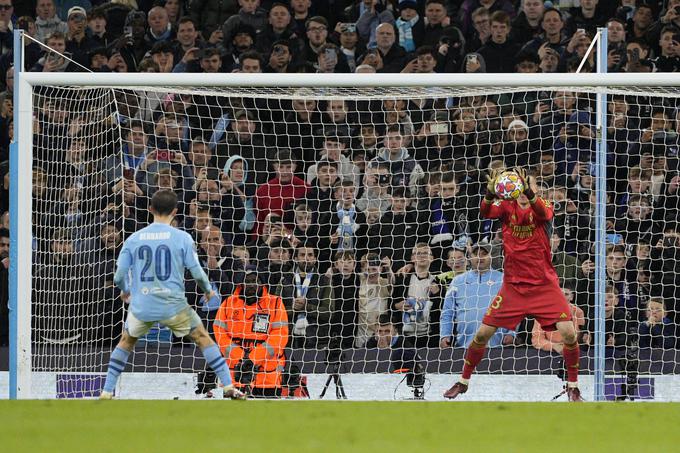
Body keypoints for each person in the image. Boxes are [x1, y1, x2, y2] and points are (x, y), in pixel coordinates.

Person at [443, 167, 584, 401]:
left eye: (528, 184)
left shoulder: (544, 207)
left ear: (536, 189)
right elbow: (485, 211)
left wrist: (527, 189)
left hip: (544, 286)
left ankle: (573, 386)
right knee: (481, 336)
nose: (520, 189)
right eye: (519, 185)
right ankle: (463, 381)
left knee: (569, 335)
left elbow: (542, 212)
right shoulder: (506, 208)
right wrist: (489, 194)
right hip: (513, 288)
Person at [100, 189, 246, 400]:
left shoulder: (134, 239)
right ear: (175, 211)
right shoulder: (182, 237)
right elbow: (197, 271)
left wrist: (125, 292)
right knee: (204, 339)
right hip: (173, 305)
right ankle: (228, 386)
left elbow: (119, 276)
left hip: (143, 305)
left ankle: (106, 391)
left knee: (125, 343)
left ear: (150, 209)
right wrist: (207, 290)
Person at [213, 265, 289, 398]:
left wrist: (253, 359)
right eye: (248, 281)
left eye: (256, 281)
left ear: (262, 283)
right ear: (241, 283)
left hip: (267, 377)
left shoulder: (275, 303)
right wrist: (240, 357)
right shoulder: (228, 303)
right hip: (235, 375)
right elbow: (220, 334)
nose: (251, 284)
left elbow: (279, 336)